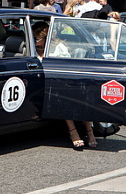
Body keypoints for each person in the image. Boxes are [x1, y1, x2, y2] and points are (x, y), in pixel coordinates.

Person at [32, 21, 96, 150]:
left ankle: (89, 131)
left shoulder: (58, 46)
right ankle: (73, 132)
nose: (35, 41)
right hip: (40, 84)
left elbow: (65, 67)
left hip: (58, 82)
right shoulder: (30, 48)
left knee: (74, 95)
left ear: (46, 37)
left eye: (37, 38)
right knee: (65, 96)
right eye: (33, 38)